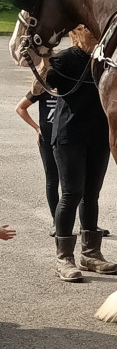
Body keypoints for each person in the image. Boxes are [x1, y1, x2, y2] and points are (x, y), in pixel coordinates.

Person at [47, 27, 117, 282]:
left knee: (91, 195)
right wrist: (43, 57)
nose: (97, 33)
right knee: (71, 194)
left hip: (99, 135)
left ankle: (91, 253)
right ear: (77, 32)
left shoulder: (106, 58)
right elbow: (42, 85)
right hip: (70, 135)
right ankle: (64, 258)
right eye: (89, 29)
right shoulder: (65, 58)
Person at [15, 60, 59, 236]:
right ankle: (56, 220)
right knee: (52, 179)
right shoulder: (41, 90)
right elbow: (20, 108)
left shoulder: (68, 88)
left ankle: (86, 223)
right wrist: (37, 128)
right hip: (47, 138)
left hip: (66, 138)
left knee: (74, 183)